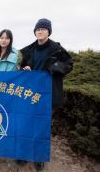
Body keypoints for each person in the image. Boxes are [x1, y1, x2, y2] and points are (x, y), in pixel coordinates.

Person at [19, 18, 73, 171]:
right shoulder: (28, 50)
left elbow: (69, 65)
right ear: (35, 32)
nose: (40, 31)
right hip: (28, 94)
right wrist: (25, 67)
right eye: (38, 29)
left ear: (49, 31)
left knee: (41, 126)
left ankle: (39, 156)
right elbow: (20, 65)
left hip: (47, 95)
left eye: (43, 28)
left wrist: (54, 66)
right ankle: (24, 153)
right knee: (26, 124)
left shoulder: (57, 49)